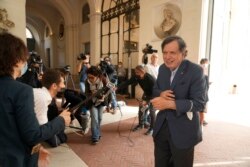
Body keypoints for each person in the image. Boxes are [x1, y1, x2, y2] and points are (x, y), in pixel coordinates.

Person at [0, 32, 71, 167]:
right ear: (16, 60)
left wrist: (36, 150)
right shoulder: (21, 91)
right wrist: (61, 120)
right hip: (15, 160)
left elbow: (12, 129)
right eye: (23, 59)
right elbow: (32, 134)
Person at [151, 35, 206, 167]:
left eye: (172, 53)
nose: (167, 57)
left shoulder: (195, 71)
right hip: (162, 128)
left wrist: (169, 104)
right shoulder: (163, 69)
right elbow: (155, 89)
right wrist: (161, 93)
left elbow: (199, 103)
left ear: (183, 54)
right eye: (164, 52)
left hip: (183, 131)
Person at [33, 69, 68, 147]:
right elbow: (41, 133)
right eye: (62, 83)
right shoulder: (42, 97)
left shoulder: (41, 94)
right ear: (54, 86)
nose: (64, 86)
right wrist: (61, 119)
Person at [118, 65, 156, 135]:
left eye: (137, 72)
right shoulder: (136, 76)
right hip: (146, 94)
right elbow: (128, 82)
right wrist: (117, 87)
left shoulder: (150, 79)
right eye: (135, 72)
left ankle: (152, 128)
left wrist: (148, 101)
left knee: (152, 111)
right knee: (142, 109)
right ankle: (141, 124)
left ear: (142, 72)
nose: (136, 74)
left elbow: (155, 91)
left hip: (154, 96)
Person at [85, 66, 108, 144]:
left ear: (97, 75)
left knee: (100, 118)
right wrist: (92, 94)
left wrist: (104, 96)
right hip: (92, 102)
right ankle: (95, 137)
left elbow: (108, 90)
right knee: (94, 119)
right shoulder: (87, 81)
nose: (90, 79)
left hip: (101, 102)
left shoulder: (103, 80)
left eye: (92, 77)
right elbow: (86, 93)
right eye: (88, 77)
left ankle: (97, 133)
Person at [199, 58, 210, 126]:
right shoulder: (203, 68)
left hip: (202, 92)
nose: (208, 64)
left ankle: (202, 121)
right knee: (201, 109)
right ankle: (201, 122)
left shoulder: (200, 68)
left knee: (201, 109)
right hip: (202, 93)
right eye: (207, 63)